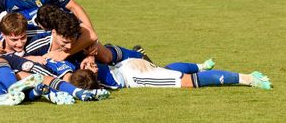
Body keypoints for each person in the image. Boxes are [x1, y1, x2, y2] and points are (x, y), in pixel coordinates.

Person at [70, 58, 272, 91]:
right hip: (126, 64)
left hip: (133, 77)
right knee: (164, 70)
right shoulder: (81, 63)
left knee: (186, 83)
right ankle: (200, 65)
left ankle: (248, 78)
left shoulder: (86, 80)